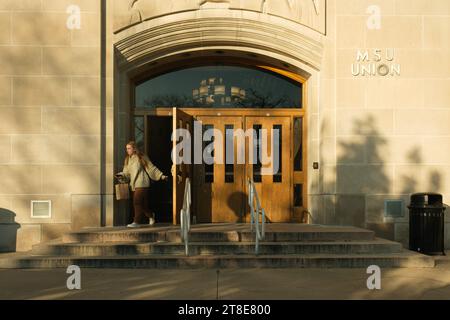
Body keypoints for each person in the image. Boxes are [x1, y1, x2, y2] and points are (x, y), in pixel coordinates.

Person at [116, 141, 169, 228]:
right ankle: (151, 215)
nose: (127, 150)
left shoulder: (141, 157)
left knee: (137, 202)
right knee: (142, 205)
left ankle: (136, 221)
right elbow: (126, 173)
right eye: (126, 148)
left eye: (129, 148)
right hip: (133, 184)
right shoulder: (127, 159)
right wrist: (121, 176)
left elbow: (151, 168)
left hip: (142, 183)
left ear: (134, 148)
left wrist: (161, 176)